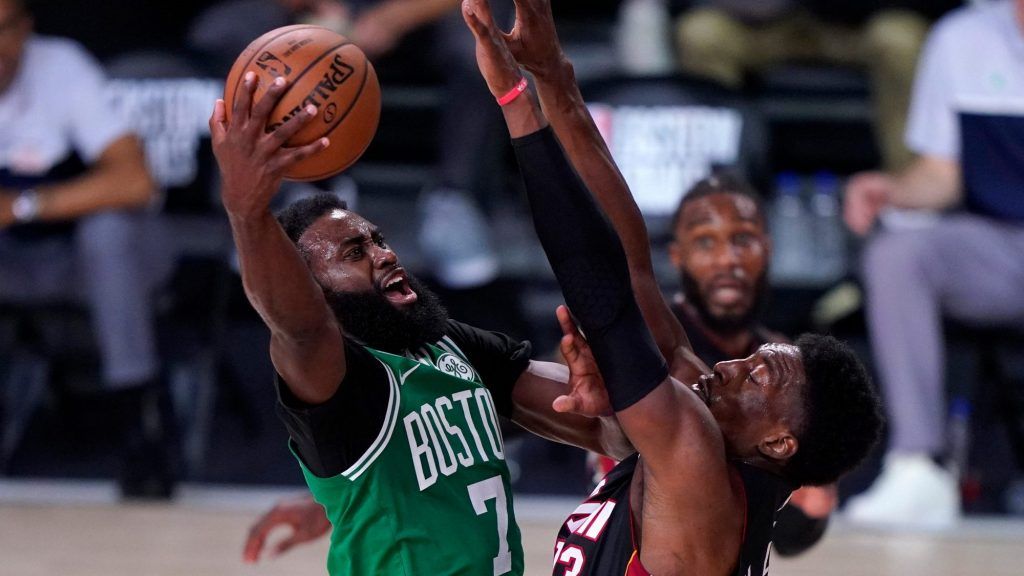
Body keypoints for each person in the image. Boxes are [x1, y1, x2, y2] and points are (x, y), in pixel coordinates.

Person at [463, 0, 882, 572]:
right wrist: (555, 76)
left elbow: (604, 295)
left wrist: (517, 102)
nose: (731, 366)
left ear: (781, 445)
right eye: (705, 241)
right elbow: (630, 259)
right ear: (680, 256)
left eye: (757, 372)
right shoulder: (704, 412)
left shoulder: (697, 462)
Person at [210, 69, 632, 574]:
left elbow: (611, 437)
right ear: (314, 289)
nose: (385, 256)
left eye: (378, 240)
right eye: (353, 253)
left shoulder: (450, 347)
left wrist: (607, 408)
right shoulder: (338, 384)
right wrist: (246, 208)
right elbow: (300, 326)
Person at [842, 0, 1024, 528]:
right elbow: (943, 174)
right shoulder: (962, 38)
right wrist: (893, 190)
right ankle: (918, 465)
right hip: (997, 246)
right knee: (899, 255)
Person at [589, 172, 836, 556]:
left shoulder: (789, 368)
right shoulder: (642, 338)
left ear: (767, 249)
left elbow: (798, 533)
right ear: (677, 256)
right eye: (706, 242)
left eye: (743, 239)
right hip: (627, 547)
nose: (728, 259)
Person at [189, 0, 510, 289]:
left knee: (479, 40)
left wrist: (395, 16)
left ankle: (456, 199)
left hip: (426, 13)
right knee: (230, 31)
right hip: (330, 13)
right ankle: (304, 187)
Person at [0, 0, 171, 498]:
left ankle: (139, 424)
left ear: (26, 28)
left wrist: (24, 205)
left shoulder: (61, 67)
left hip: (85, 262)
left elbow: (136, 181)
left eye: (4, 29)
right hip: (12, 263)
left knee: (109, 233)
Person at [674, 0, 928, 171]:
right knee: (701, 33)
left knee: (901, 39)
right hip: (765, 24)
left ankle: (909, 185)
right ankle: (717, 185)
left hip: (855, 23)